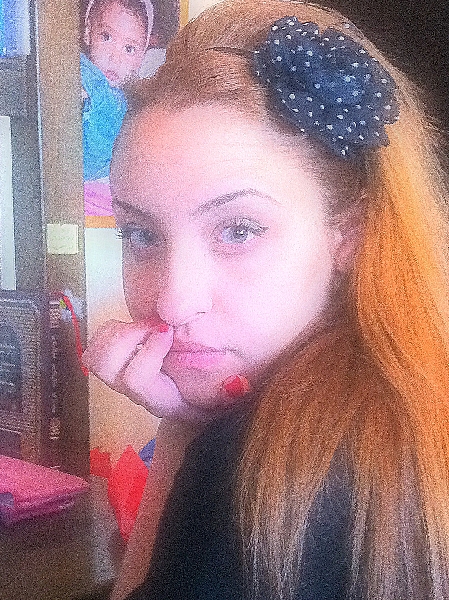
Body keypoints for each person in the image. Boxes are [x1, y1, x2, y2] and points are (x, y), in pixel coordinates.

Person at [82, 0, 449, 598]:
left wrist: (187, 445)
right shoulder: (411, 402)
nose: (173, 303)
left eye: (238, 230)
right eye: (141, 235)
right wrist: (185, 426)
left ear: (347, 235)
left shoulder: (253, 469)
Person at [81, 0, 153, 215]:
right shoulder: (84, 76)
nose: (115, 57)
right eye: (106, 37)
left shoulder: (125, 98)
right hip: (80, 188)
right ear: (88, 33)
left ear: (141, 57)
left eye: (129, 49)